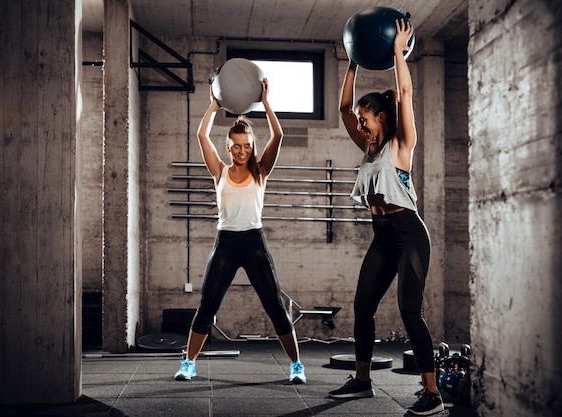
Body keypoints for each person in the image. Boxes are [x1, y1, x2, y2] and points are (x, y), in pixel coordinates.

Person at [328, 20, 443, 415]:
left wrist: (397, 50)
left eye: (366, 119)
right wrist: (352, 62)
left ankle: (432, 392)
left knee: (410, 310)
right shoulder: (370, 148)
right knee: (363, 305)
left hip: (410, 234)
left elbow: (406, 91)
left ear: (381, 116)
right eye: (361, 122)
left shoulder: (400, 144)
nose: (360, 125)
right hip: (382, 236)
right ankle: (362, 381)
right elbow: (344, 108)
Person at [173, 78, 306, 385]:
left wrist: (266, 102)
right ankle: (189, 363)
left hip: (254, 242)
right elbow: (200, 135)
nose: (243, 151)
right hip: (226, 243)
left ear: (251, 147)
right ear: (229, 146)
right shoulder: (219, 171)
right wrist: (214, 105)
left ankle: (297, 365)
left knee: (274, 305)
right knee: (207, 305)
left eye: (248, 146)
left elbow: (279, 134)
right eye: (237, 146)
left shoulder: (261, 172)